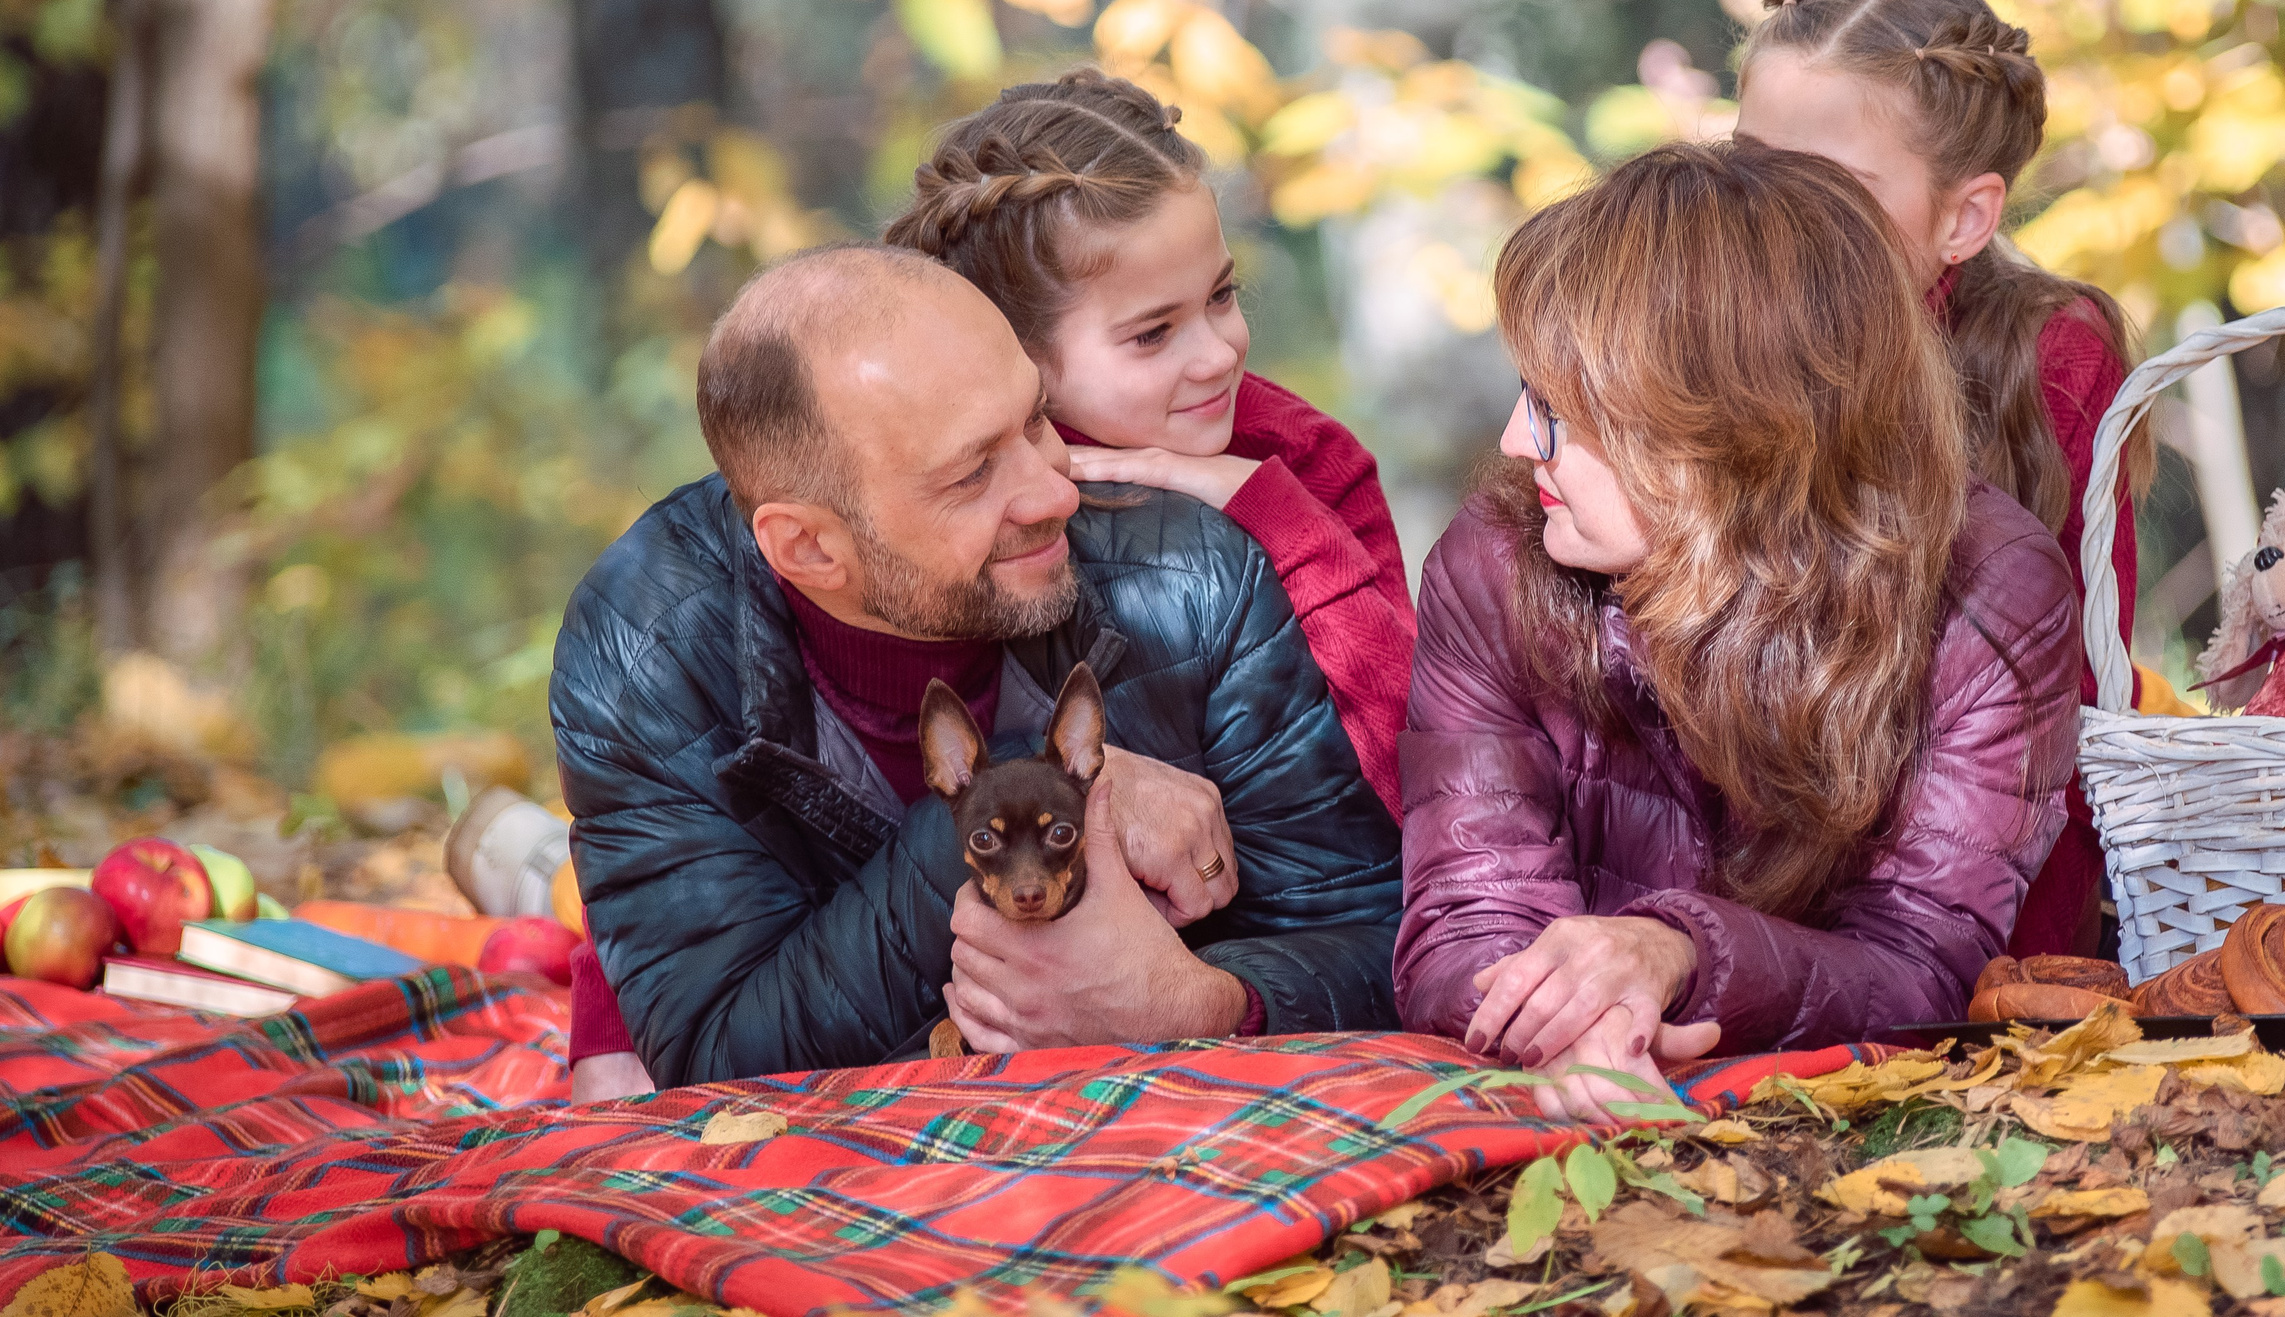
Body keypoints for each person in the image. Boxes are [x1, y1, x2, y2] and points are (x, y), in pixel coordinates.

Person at [548, 242, 1401, 1092]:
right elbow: (713, 1062)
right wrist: (1020, 800)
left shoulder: (1191, 576)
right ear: (808, 545)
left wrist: (1210, 1006)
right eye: (972, 473)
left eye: (1034, 420)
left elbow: (1373, 938)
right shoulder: (646, 656)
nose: (1054, 491)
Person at [1394, 140, 2082, 1122]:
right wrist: (1577, 1018)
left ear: (1723, 432)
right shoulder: (1497, 555)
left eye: (1559, 408)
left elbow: (1923, 963)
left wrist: (1675, 950)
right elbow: (1468, 908)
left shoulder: (1990, 591)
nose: (1514, 441)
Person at [1732, 0, 2151, 959]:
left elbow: (2082, 708)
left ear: (1963, 217)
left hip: (1977, 910)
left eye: (1832, 187)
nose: (1771, 216)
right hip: (1729, 886)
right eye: (1748, 160)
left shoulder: (2049, 356)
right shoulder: (1695, 321)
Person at [883, 69, 1416, 820]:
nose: (1219, 354)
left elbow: (1424, 768)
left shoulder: (1304, 456)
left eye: (1222, 296)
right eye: (1153, 332)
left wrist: (1278, 516)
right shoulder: (974, 516)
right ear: (1020, 354)